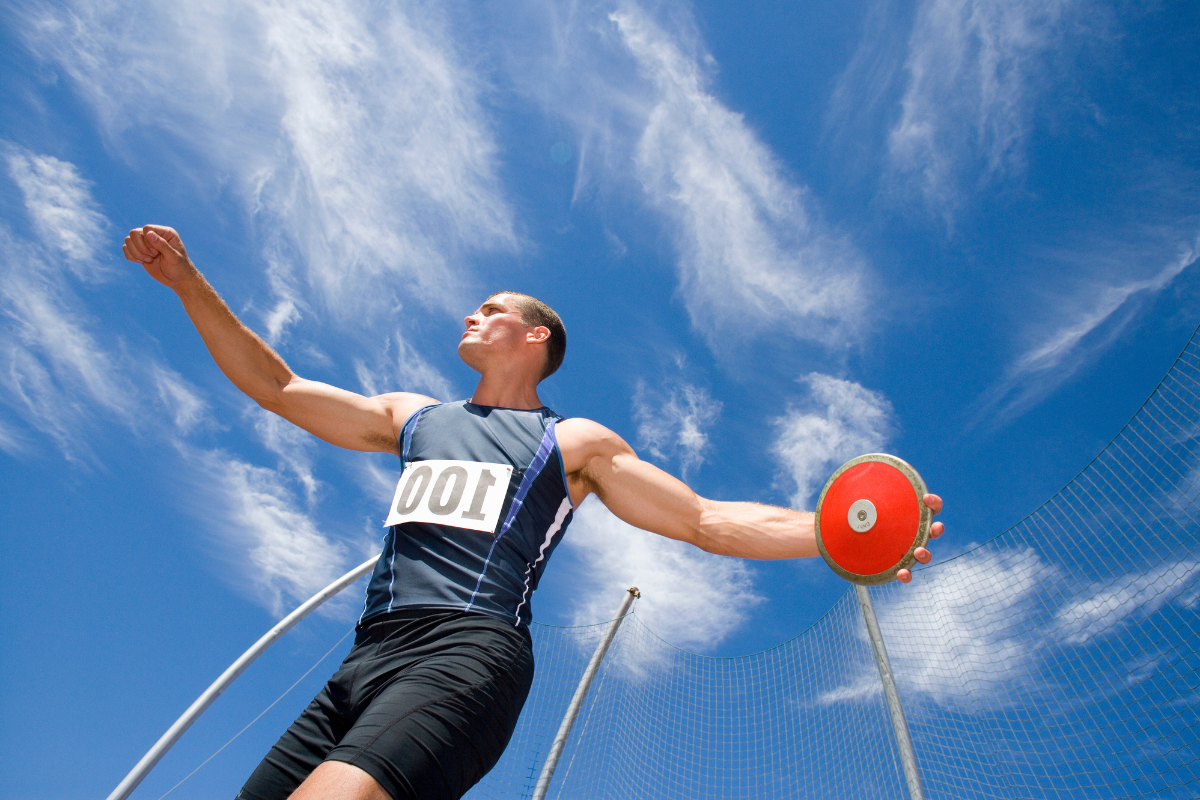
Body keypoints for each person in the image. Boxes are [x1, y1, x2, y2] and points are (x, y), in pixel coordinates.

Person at [123, 224, 945, 800]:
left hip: (465, 654)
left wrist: (836, 534)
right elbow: (280, 388)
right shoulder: (413, 416)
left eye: (491, 310)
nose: (471, 316)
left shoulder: (573, 440)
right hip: (363, 660)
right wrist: (189, 283)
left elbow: (701, 520)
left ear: (536, 339)